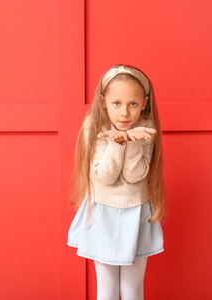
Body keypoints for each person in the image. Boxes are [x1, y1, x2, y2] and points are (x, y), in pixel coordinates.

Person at [67, 64, 167, 300]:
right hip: (103, 213)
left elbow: (134, 175)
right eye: (116, 103)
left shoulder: (146, 130)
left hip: (136, 213)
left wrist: (132, 142)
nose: (124, 113)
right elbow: (106, 176)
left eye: (133, 104)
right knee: (107, 289)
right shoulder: (95, 127)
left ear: (144, 103)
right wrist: (116, 143)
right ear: (103, 102)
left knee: (132, 290)